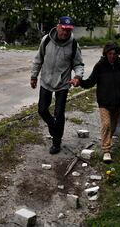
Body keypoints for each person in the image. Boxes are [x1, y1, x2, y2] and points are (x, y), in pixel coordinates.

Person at [70, 42, 120, 162]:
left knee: (113, 126)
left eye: (114, 54)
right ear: (106, 53)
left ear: (118, 54)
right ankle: (106, 151)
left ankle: (107, 140)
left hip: (118, 101)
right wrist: (79, 82)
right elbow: (90, 82)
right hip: (104, 101)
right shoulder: (100, 66)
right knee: (106, 124)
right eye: (110, 53)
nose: (112, 56)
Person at [30, 16, 84, 154]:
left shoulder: (73, 45)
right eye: (63, 29)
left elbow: (78, 64)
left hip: (63, 83)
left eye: (68, 30)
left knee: (59, 113)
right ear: (58, 26)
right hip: (46, 81)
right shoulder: (46, 40)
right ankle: (53, 128)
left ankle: (56, 142)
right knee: (42, 110)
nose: (65, 33)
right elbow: (38, 59)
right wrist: (34, 76)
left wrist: (78, 76)